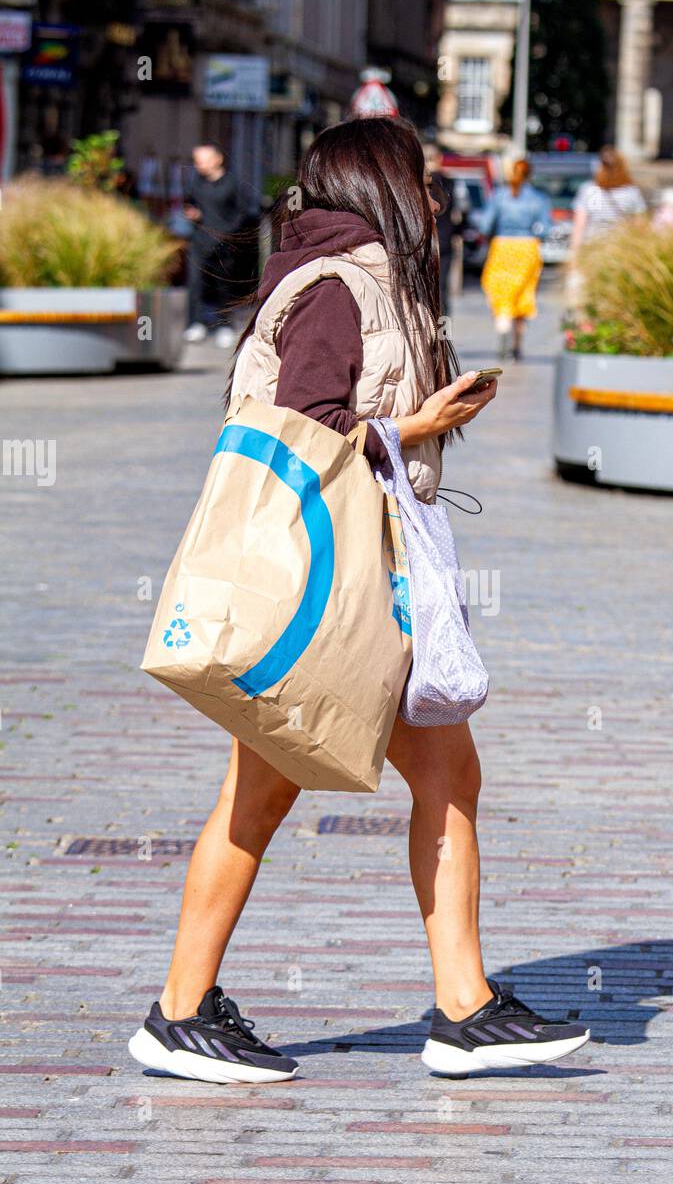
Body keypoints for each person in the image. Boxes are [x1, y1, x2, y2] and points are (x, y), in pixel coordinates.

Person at [128, 117, 590, 1083]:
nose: (433, 198)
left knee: (444, 776)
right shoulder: (341, 287)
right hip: (332, 593)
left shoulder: (364, 280)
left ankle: (461, 1008)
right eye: (419, 180)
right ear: (381, 186)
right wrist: (417, 422)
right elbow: (305, 424)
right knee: (258, 799)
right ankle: (178, 1012)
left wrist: (425, 422)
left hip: (369, 583)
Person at [479, 158, 551, 361]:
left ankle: (502, 328)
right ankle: (517, 343)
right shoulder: (539, 198)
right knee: (523, 294)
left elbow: (485, 225)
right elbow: (545, 228)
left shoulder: (499, 196)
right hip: (527, 249)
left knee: (501, 292)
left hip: (502, 247)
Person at [183, 141, 249, 349]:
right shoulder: (195, 183)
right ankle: (195, 323)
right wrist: (192, 213)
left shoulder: (232, 183)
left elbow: (243, 211)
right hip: (200, 240)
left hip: (223, 241)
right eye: (196, 161)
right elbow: (190, 203)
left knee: (223, 284)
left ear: (217, 159)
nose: (199, 165)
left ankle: (225, 326)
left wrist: (230, 233)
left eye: (203, 160)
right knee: (195, 282)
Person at [570, 147, 646, 254]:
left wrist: (574, 254)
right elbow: (639, 226)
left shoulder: (589, 190)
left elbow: (579, 226)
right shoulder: (631, 192)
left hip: (593, 247)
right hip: (622, 248)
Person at [423, 141, 461, 320]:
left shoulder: (414, 180)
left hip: (421, 239)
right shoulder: (450, 182)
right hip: (444, 239)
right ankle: (444, 336)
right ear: (439, 158)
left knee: (423, 288)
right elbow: (461, 212)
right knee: (442, 289)